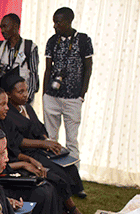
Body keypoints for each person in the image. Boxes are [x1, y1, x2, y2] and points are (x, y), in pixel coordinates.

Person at [2, 73, 85, 214]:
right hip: (28, 152)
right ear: (8, 94)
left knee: (69, 167)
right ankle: (71, 210)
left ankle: (64, 209)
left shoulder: (26, 107)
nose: (25, 95)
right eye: (20, 92)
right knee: (56, 174)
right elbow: (18, 141)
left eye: (26, 90)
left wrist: (47, 140)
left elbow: (39, 127)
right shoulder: (8, 115)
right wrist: (43, 144)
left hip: (41, 148)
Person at [43, 7, 92, 176]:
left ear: (69, 21)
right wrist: (44, 94)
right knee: (50, 139)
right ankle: (53, 175)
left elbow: (88, 68)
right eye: (54, 21)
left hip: (73, 98)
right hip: (52, 97)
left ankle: (74, 179)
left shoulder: (83, 40)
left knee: (72, 141)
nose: (55, 25)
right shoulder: (52, 41)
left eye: (58, 22)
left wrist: (81, 95)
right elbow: (48, 69)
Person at [0, 13, 39, 103]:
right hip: (5, 96)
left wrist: (28, 98)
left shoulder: (29, 47)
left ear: (16, 26)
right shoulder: (1, 46)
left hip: (22, 97)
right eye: (1, 27)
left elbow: (33, 75)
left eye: (5, 26)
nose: (2, 31)